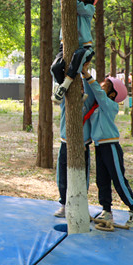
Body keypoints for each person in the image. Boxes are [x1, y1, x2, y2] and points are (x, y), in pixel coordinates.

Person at [82, 73, 133, 227]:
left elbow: (98, 93)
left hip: (110, 146)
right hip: (99, 146)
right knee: (102, 180)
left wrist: (88, 75)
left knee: (118, 180)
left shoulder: (110, 105)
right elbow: (94, 92)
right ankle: (106, 211)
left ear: (112, 94)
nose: (101, 86)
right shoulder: (97, 105)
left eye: (105, 86)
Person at [54, 77, 94, 218]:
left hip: (83, 145)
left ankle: (80, 204)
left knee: (82, 175)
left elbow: (90, 89)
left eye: (82, 86)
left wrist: (84, 73)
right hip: (66, 142)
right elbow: (59, 81)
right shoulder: (66, 99)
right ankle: (64, 204)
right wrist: (70, 75)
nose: (80, 88)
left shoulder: (88, 101)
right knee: (62, 175)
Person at [51, 0, 98, 102]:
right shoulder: (67, 4)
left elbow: (76, 6)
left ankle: (63, 87)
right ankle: (75, 91)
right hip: (64, 46)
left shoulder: (89, 8)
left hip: (84, 47)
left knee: (79, 55)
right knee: (56, 67)